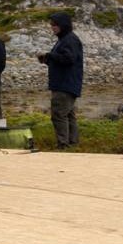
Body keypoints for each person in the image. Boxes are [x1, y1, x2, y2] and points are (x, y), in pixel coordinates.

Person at [38, 11, 84, 148]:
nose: (52, 27)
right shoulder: (65, 39)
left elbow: (69, 59)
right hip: (66, 84)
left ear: (63, 25)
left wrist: (50, 55)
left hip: (65, 84)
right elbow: (62, 60)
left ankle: (63, 144)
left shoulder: (69, 40)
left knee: (59, 114)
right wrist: (47, 59)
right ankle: (72, 143)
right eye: (51, 24)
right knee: (68, 115)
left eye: (54, 24)